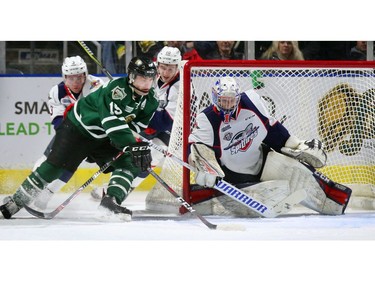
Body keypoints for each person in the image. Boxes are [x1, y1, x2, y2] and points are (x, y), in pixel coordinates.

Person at [0, 57, 158, 220]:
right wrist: (131, 144)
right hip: (78, 128)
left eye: (149, 78)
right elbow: (112, 123)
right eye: (142, 78)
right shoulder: (117, 90)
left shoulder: (151, 100)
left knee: (130, 163)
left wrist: (134, 146)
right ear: (132, 76)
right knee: (55, 166)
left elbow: (135, 128)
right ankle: (16, 201)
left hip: (104, 136)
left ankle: (110, 203)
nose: (146, 83)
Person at [187, 77, 352, 216]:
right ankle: (207, 198)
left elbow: (272, 130)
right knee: (277, 190)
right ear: (215, 98)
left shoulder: (251, 101)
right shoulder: (206, 119)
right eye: (223, 100)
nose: (227, 105)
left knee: (300, 176)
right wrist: (205, 168)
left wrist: (296, 145)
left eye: (231, 100)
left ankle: (335, 204)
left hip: (263, 161)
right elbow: (196, 149)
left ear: (237, 98)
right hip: (234, 177)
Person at [2, 56, 104, 209]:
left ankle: (47, 194)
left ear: (85, 74)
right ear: (64, 77)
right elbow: (58, 121)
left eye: (79, 77)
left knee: (70, 164)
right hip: (70, 132)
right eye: (71, 78)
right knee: (50, 159)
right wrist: (70, 139)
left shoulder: (96, 85)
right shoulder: (57, 91)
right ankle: (28, 193)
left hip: (97, 135)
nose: (76, 81)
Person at [140, 46, 182, 146]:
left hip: (176, 131)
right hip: (152, 127)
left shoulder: (180, 86)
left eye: (170, 69)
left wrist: (138, 115)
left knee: (154, 155)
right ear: (157, 65)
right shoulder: (150, 72)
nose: (166, 73)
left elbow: (165, 121)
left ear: (177, 67)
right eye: (163, 68)